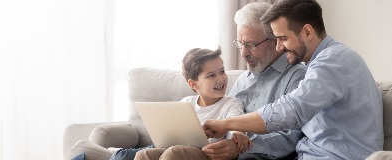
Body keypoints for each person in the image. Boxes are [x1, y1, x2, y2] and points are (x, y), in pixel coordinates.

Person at [203, 0, 384, 159]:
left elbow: (288, 111)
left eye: (283, 38)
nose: (279, 47)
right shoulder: (320, 63)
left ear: (307, 32)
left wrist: (226, 125)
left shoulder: (333, 61)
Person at [135, 2, 306, 160]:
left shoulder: (296, 77)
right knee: (144, 155)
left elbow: (293, 136)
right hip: (215, 150)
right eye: (241, 44)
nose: (243, 54)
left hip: (250, 156)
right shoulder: (244, 79)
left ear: (274, 41)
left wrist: (240, 147)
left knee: (174, 154)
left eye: (251, 45)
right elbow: (225, 119)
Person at [69, 47, 251, 160]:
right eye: (211, 75)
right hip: (181, 150)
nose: (221, 78)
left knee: (174, 153)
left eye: (221, 71)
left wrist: (236, 133)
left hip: (208, 155)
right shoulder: (186, 103)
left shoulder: (230, 103)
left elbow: (236, 122)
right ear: (193, 84)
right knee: (143, 154)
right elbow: (171, 135)